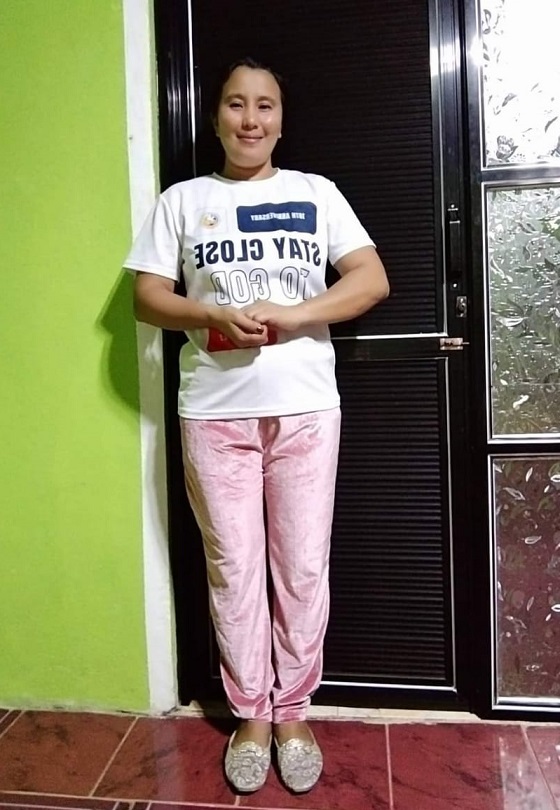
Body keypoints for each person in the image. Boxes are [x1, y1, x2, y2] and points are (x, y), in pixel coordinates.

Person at [124, 57, 389, 794]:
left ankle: (294, 713)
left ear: (280, 118)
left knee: (301, 568)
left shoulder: (316, 193)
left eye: (264, 105)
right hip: (214, 414)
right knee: (234, 570)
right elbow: (147, 298)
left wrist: (294, 315)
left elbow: (370, 280)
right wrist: (208, 311)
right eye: (236, 104)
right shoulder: (182, 201)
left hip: (306, 410)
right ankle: (251, 715)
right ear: (216, 117)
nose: (250, 119)